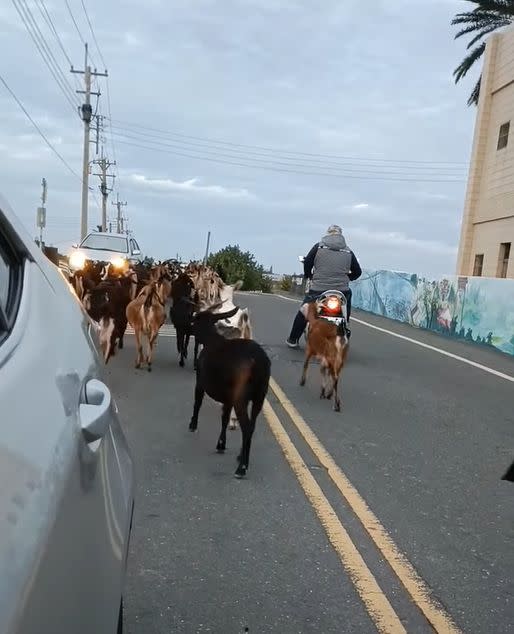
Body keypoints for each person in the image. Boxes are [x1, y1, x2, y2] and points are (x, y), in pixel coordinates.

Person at [286, 224, 362, 348]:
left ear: (328, 233)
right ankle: (345, 322)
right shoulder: (348, 251)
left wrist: (309, 275)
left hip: (318, 289)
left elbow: (308, 263)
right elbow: (357, 272)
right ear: (341, 235)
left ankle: (293, 340)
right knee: (347, 297)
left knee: (304, 312)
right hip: (341, 291)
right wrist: (347, 279)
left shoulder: (318, 247)